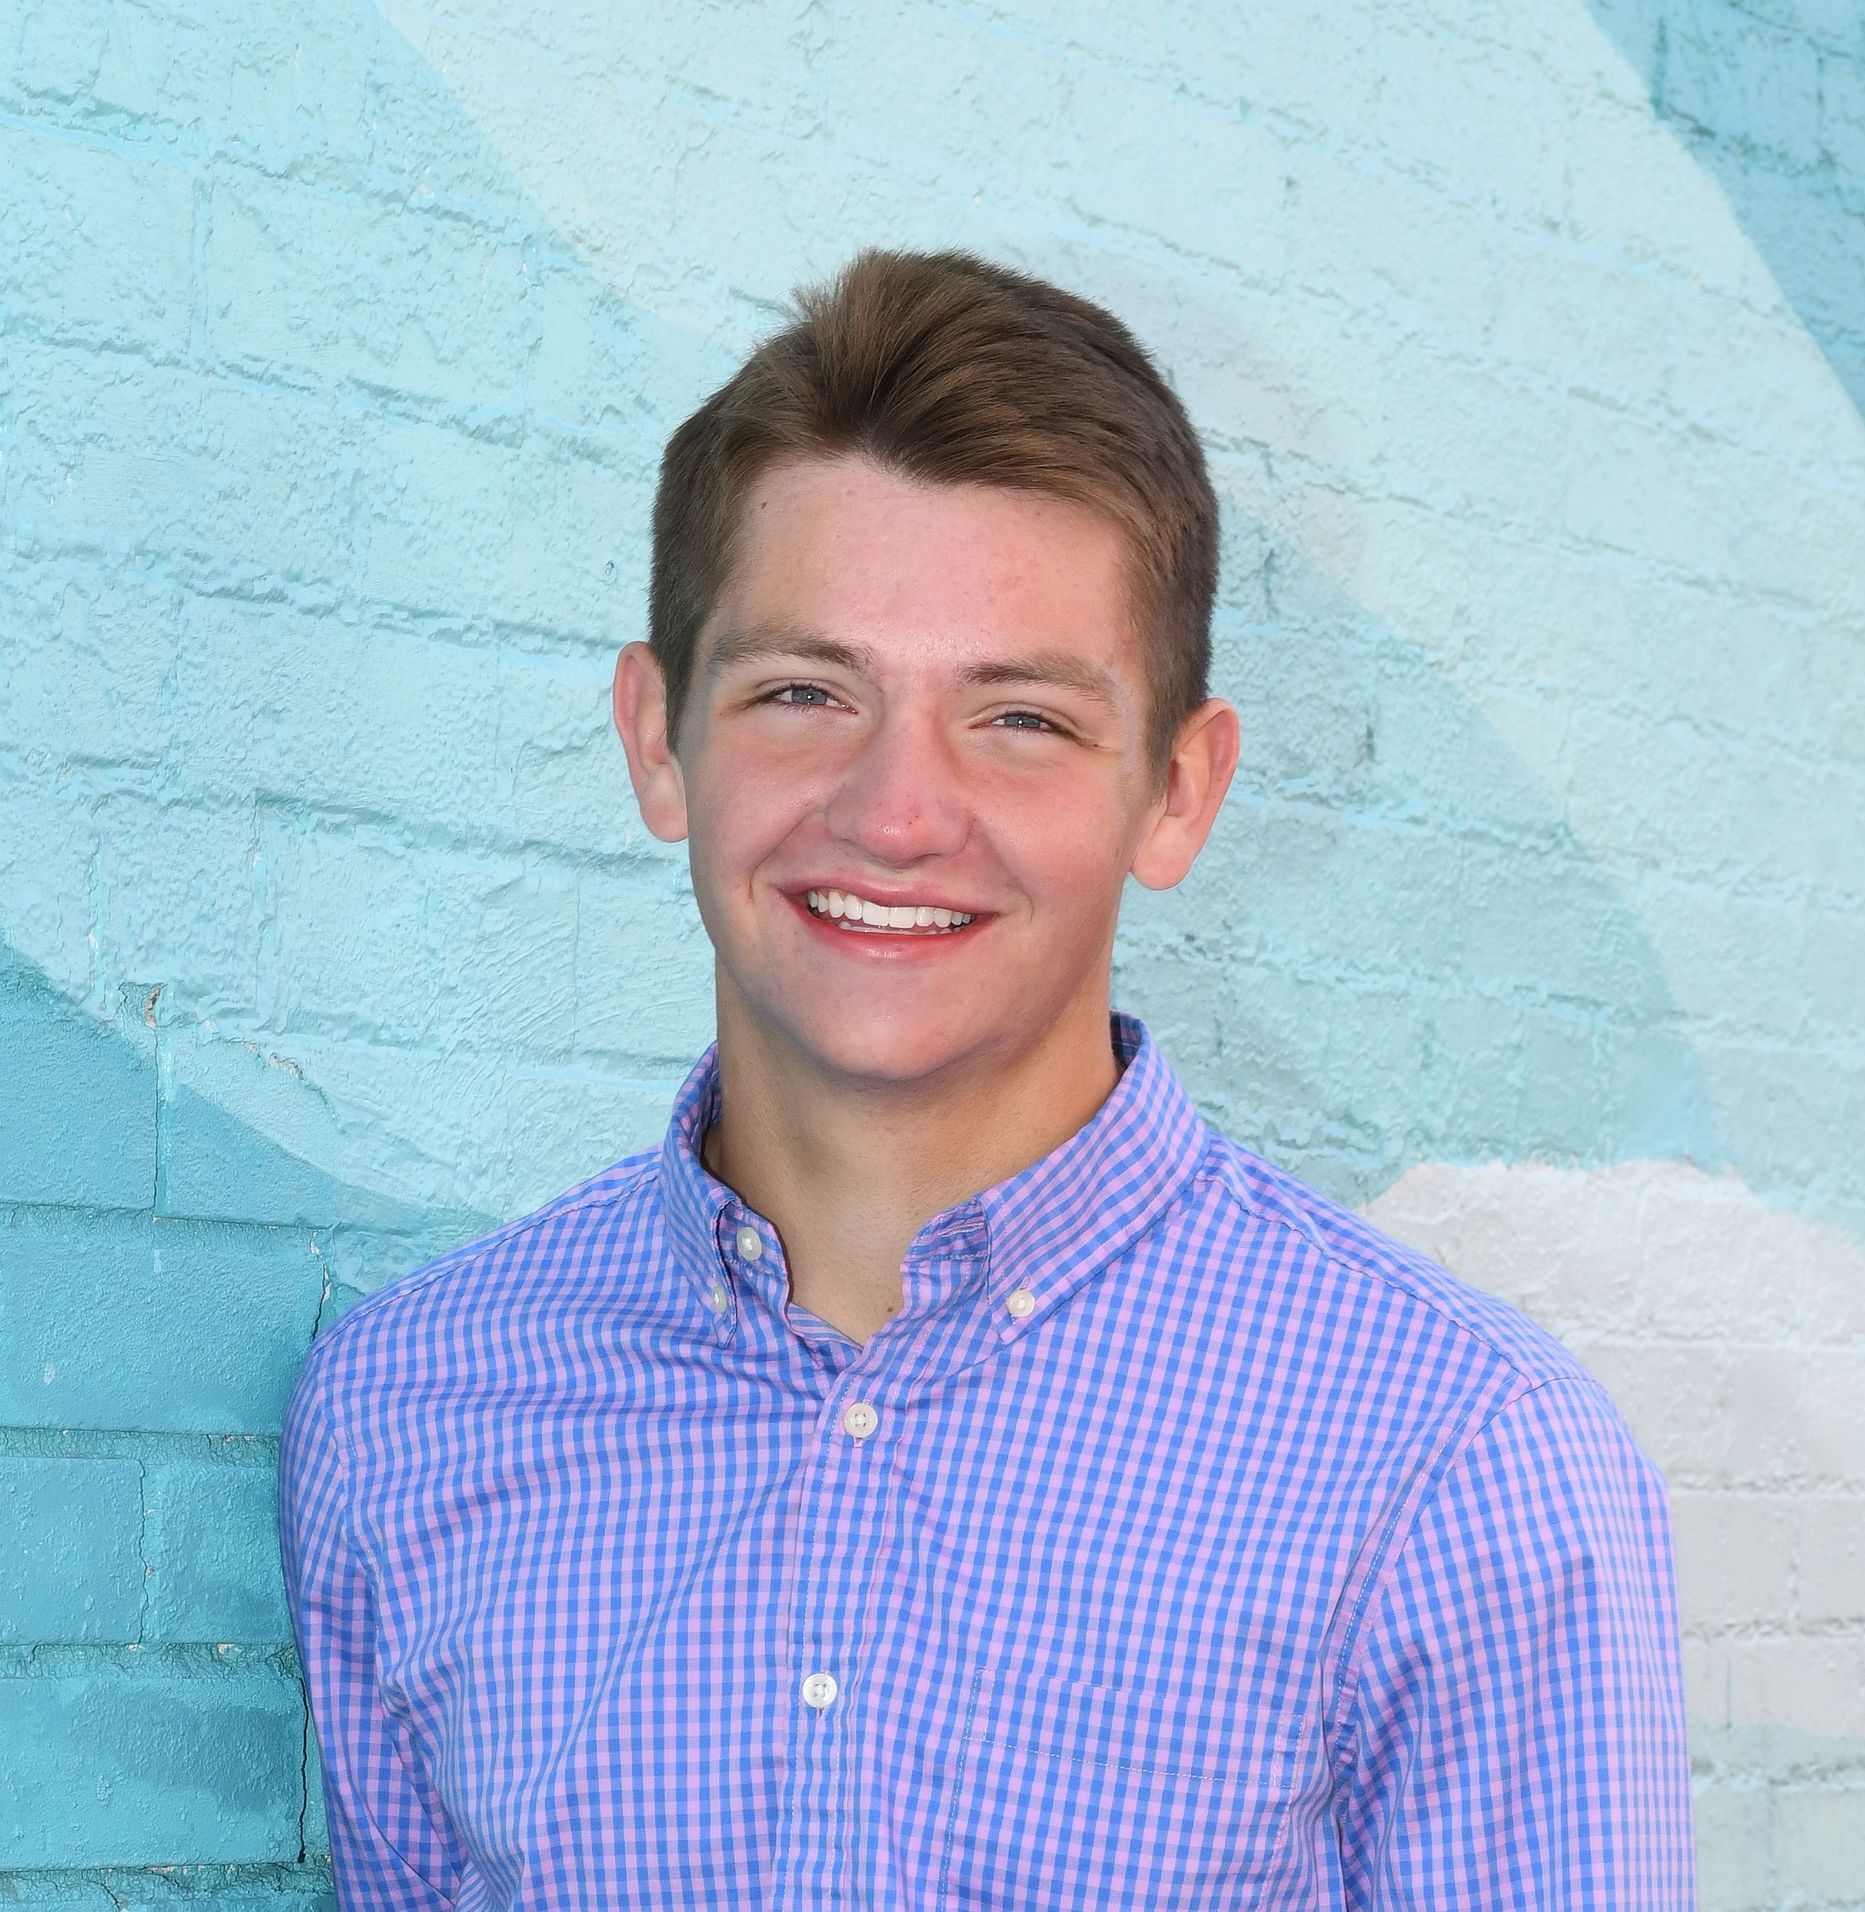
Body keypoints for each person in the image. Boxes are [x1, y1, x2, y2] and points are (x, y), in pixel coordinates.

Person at [279, 248, 1695, 1908]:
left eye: (1018, 719)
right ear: (659, 740)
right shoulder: (401, 1415)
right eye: (805, 692)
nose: (894, 811)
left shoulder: (1457, 1465)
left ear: (1175, 791)